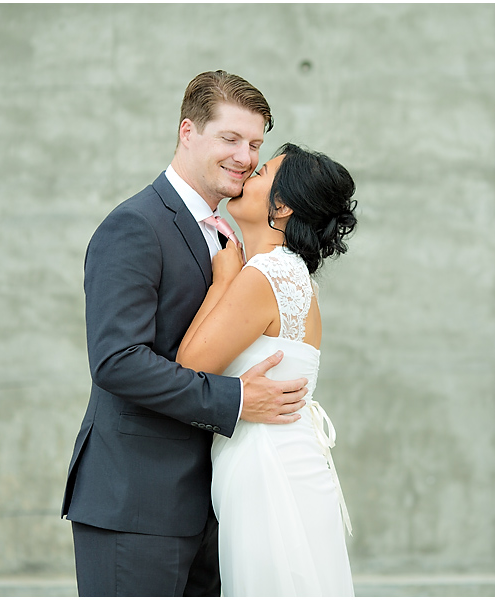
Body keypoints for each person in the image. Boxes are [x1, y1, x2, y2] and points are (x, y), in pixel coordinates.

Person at [61, 71, 311, 597]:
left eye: (255, 144)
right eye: (230, 138)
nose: (244, 156)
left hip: (213, 507)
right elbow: (118, 360)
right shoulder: (134, 225)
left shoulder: (228, 238)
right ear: (188, 132)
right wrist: (238, 398)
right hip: (136, 503)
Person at [177, 142, 358, 596]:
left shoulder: (265, 275)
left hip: (267, 467)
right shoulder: (294, 274)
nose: (246, 174)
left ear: (283, 204)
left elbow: (189, 366)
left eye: (259, 174)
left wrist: (223, 280)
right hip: (286, 458)